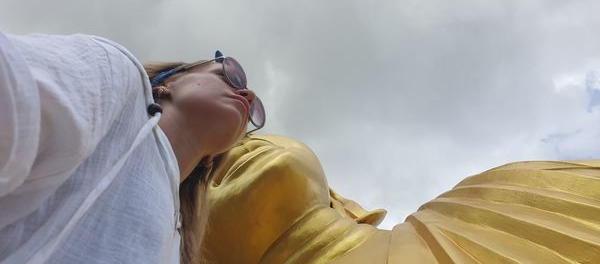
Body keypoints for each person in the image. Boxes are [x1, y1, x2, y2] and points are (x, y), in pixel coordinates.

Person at [0, 31, 264, 263]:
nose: (248, 94)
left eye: (252, 110)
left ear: (211, 159)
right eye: (228, 76)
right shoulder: (120, 81)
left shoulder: (178, 243)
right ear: (167, 83)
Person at [194, 134, 600, 263]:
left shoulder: (498, 197)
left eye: (244, 135)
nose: (216, 153)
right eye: (184, 176)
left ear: (343, 201)